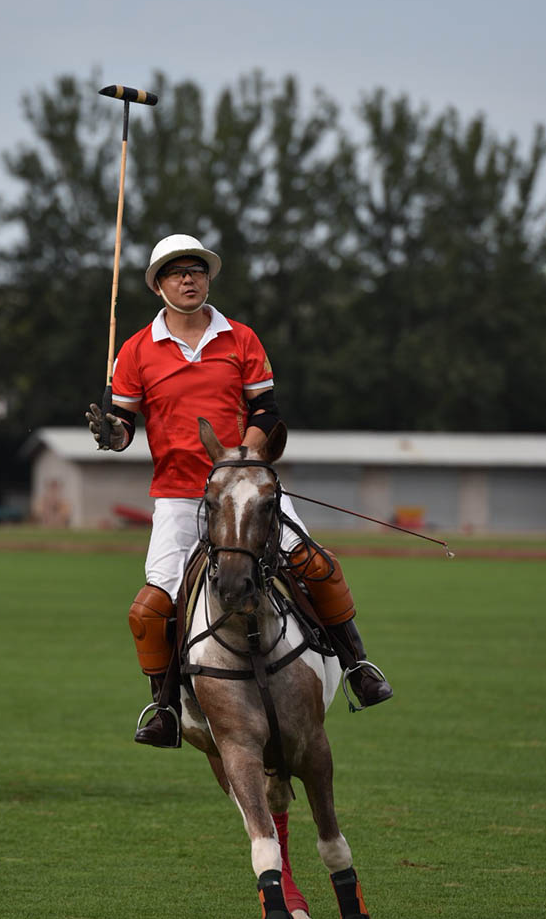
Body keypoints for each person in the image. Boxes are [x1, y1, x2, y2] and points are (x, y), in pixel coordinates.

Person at [86, 234, 393, 748]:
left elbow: (266, 412)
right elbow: (123, 427)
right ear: (158, 284)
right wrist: (109, 434)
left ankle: (357, 662)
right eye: (177, 272)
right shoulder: (137, 349)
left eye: (198, 270)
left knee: (315, 564)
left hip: (246, 485)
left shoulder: (241, 338)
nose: (189, 279)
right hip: (180, 495)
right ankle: (162, 708)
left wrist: (241, 463)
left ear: (208, 278)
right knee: (150, 608)